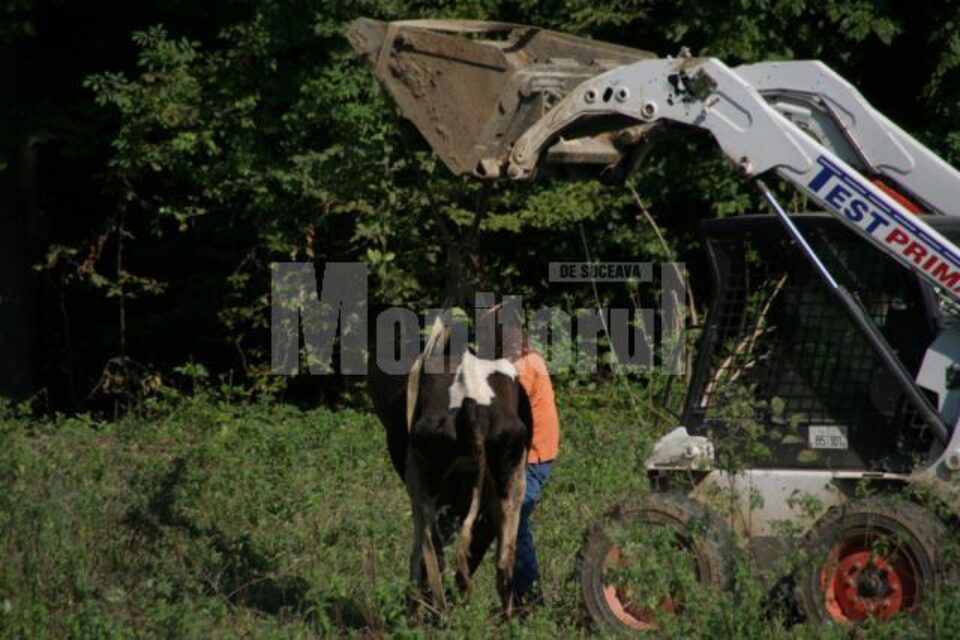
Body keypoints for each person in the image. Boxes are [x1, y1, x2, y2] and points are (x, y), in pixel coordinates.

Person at [510, 335, 561, 608]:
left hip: (533, 458)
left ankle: (530, 601)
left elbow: (508, 410)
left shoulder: (525, 367)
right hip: (538, 454)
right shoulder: (530, 359)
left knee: (516, 521)